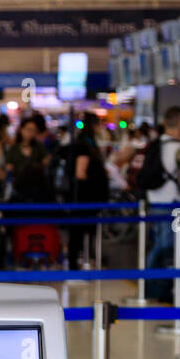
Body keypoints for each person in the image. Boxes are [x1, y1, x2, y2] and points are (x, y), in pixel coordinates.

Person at [144, 104, 180, 300]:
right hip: (174, 205)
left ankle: (156, 284)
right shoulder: (179, 149)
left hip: (154, 201)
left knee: (160, 242)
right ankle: (152, 284)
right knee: (167, 245)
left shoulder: (155, 145)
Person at [68, 112, 109, 269]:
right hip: (85, 197)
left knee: (83, 230)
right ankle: (76, 263)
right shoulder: (84, 146)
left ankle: (83, 259)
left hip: (87, 197)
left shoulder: (87, 143)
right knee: (79, 231)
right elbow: (80, 172)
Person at [4, 117, 50, 203]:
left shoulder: (39, 147)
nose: (31, 133)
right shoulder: (13, 148)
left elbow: (46, 162)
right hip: (18, 189)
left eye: (34, 130)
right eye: (28, 130)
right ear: (21, 130)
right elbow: (8, 168)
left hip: (38, 188)